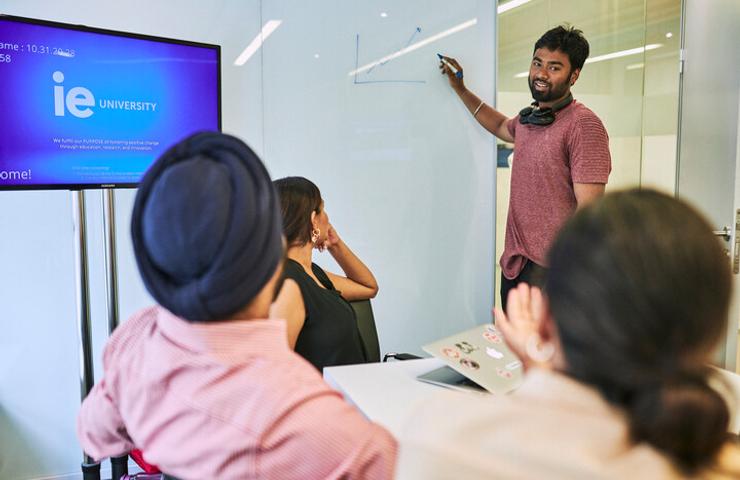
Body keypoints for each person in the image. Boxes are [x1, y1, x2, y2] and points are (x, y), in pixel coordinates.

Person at [76, 133, 396, 479]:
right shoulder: (326, 432)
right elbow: (376, 461)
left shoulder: (135, 341)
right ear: (267, 254)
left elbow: (94, 433)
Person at [396, 189, 740, 479]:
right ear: (711, 336)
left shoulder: (441, 437)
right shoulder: (708, 462)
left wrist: (541, 358)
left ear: (547, 314)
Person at [440, 25, 612, 308]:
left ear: (574, 75)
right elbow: (498, 124)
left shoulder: (583, 125)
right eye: (537, 63)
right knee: (512, 350)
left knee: (543, 353)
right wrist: (461, 89)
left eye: (554, 67)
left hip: (554, 274)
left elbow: (590, 214)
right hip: (516, 267)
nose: (541, 74)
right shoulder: (531, 120)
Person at [271, 176, 377, 370]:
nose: (328, 217)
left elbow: (368, 287)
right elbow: (276, 370)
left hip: (353, 391)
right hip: (327, 397)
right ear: (313, 219)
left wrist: (335, 244)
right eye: (323, 208)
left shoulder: (312, 273)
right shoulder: (288, 280)